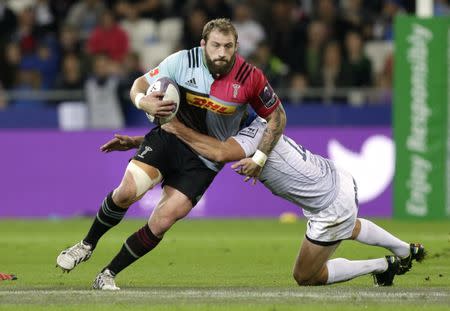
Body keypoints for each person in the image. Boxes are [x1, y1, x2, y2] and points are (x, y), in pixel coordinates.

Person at [56, 18, 286, 290]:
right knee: (127, 192)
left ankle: (107, 274)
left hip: (205, 159)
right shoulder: (181, 61)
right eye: (215, 45)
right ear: (203, 45)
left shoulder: (250, 78)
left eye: (228, 46)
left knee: (163, 220)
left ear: (236, 47)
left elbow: (277, 116)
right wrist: (143, 101)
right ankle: (86, 244)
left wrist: (259, 158)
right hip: (168, 139)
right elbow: (139, 84)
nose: (221, 52)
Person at [100, 114, 425, 286]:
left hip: (328, 204)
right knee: (347, 226)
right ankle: (404, 250)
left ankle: (383, 266)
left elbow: (214, 151)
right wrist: (141, 141)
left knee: (307, 276)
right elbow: (199, 142)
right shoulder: (255, 125)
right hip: (336, 178)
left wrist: (172, 127)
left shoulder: (248, 135)